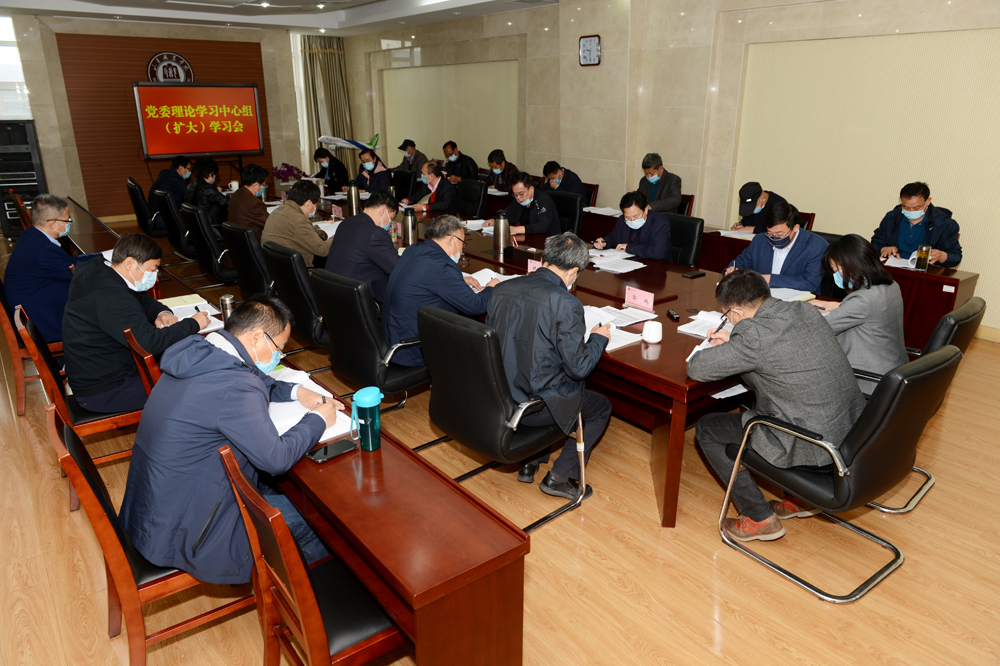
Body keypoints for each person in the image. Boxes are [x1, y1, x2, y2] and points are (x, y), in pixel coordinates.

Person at [119, 295, 343, 585]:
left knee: (280, 489)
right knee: (322, 522)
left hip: (152, 513)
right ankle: (296, 597)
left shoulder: (200, 349)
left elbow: (252, 376)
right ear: (257, 337)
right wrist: (318, 419)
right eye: (279, 347)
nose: (279, 355)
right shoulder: (237, 386)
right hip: (188, 533)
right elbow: (276, 459)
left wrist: (298, 392)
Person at [688, 269, 866, 541]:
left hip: (812, 443)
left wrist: (733, 345)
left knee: (707, 428)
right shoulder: (803, 310)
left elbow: (697, 368)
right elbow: (782, 350)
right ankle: (799, 499)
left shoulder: (754, 335)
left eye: (726, 316)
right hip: (851, 432)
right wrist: (736, 344)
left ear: (735, 312)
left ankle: (758, 518)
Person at [487, 232, 612, 499]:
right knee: (600, 407)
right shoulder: (567, 304)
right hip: (534, 407)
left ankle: (530, 461)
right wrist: (598, 339)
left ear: (544, 258)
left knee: (538, 368)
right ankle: (560, 476)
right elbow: (579, 368)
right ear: (574, 272)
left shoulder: (501, 289)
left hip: (498, 395)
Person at [62, 233, 209, 413]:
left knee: (184, 363)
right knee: (198, 385)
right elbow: (149, 343)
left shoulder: (102, 273)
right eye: (152, 269)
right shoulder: (110, 297)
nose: (155, 275)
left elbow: (138, 297)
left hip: (103, 371)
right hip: (106, 391)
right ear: (130, 263)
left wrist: (161, 312)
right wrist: (193, 324)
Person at [381, 216, 498, 367]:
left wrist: (458, 282)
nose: (462, 249)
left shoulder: (414, 250)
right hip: (415, 349)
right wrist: (492, 288)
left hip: (392, 338)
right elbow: (476, 306)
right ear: (451, 240)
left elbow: (427, 281)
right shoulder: (443, 266)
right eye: (462, 243)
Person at [814, 234, 908, 393]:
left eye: (837, 269)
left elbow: (818, 329)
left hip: (868, 380)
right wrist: (840, 305)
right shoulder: (892, 285)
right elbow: (872, 311)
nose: (836, 275)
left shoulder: (862, 300)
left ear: (855, 265)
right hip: (893, 370)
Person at [4, 194, 96, 343]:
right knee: (103, 306)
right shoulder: (44, 250)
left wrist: (102, 256)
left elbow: (68, 263)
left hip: (38, 308)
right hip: (45, 324)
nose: (69, 224)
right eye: (67, 220)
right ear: (53, 224)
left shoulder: (32, 237)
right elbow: (75, 273)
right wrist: (111, 266)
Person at [725, 202, 828, 293]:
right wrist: (732, 270)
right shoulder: (760, 240)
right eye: (770, 233)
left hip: (798, 303)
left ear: (796, 227)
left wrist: (769, 279)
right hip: (761, 298)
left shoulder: (816, 246)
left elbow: (809, 283)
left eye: (779, 234)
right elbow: (741, 262)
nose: (774, 238)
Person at [325, 189, 400, 304]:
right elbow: (398, 268)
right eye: (391, 218)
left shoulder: (346, 223)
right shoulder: (375, 234)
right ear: (383, 211)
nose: (389, 223)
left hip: (333, 297)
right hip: (360, 303)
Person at [870, 182, 962, 267]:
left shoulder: (944, 224)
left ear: (928, 201)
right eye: (906, 207)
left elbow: (956, 257)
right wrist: (883, 249)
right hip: (893, 270)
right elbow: (876, 242)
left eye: (917, 208)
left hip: (926, 273)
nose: (911, 211)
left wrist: (941, 255)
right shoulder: (892, 218)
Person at [262, 180, 332, 268]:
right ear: (308, 203)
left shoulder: (278, 211)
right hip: (298, 272)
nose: (315, 207)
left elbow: (297, 230)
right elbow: (323, 250)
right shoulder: (299, 220)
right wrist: (339, 234)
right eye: (315, 204)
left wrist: (319, 228)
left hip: (277, 270)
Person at [593, 191, 672, 260]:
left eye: (636, 216)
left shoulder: (660, 222)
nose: (632, 220)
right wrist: (603, 243)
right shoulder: (622, 220)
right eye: (628, 217)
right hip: (627, 264)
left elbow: (658, 252)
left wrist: (628, 248)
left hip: (656, 267)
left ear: (645, 210)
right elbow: (614, 237)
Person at [483, 172, 560, 237]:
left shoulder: (544, 200)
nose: (518, 198)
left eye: (521, 193)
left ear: (531, 189)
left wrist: (518, 229)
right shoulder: (518, 200)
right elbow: (508, 214)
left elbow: (543, 225)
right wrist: (494, 220)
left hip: (550, 241)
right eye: (515, 194)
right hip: (529, 239)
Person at [228, 163, 270, 240]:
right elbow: (271, 223)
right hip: (252, 243)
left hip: (236, 242)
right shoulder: (255, 204)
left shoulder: (236, 194)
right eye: (263, 185)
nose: (264, 187)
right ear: (255, 185)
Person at [147, 155, 191, 227]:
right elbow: (188, 192)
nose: (190, 172)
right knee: (195, 223)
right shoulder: (173, 178)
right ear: (180, 168)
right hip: (162, 219)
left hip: (158, 215)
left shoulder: (167, 175)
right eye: (189, 169)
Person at [187, 158, 228, 227]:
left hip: (197, 225)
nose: (215, 177)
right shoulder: (207, 188)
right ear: (210, 173)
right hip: (211, 226)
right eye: (214, 174)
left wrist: (215, 192)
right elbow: (227, 202)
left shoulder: (190, 186)